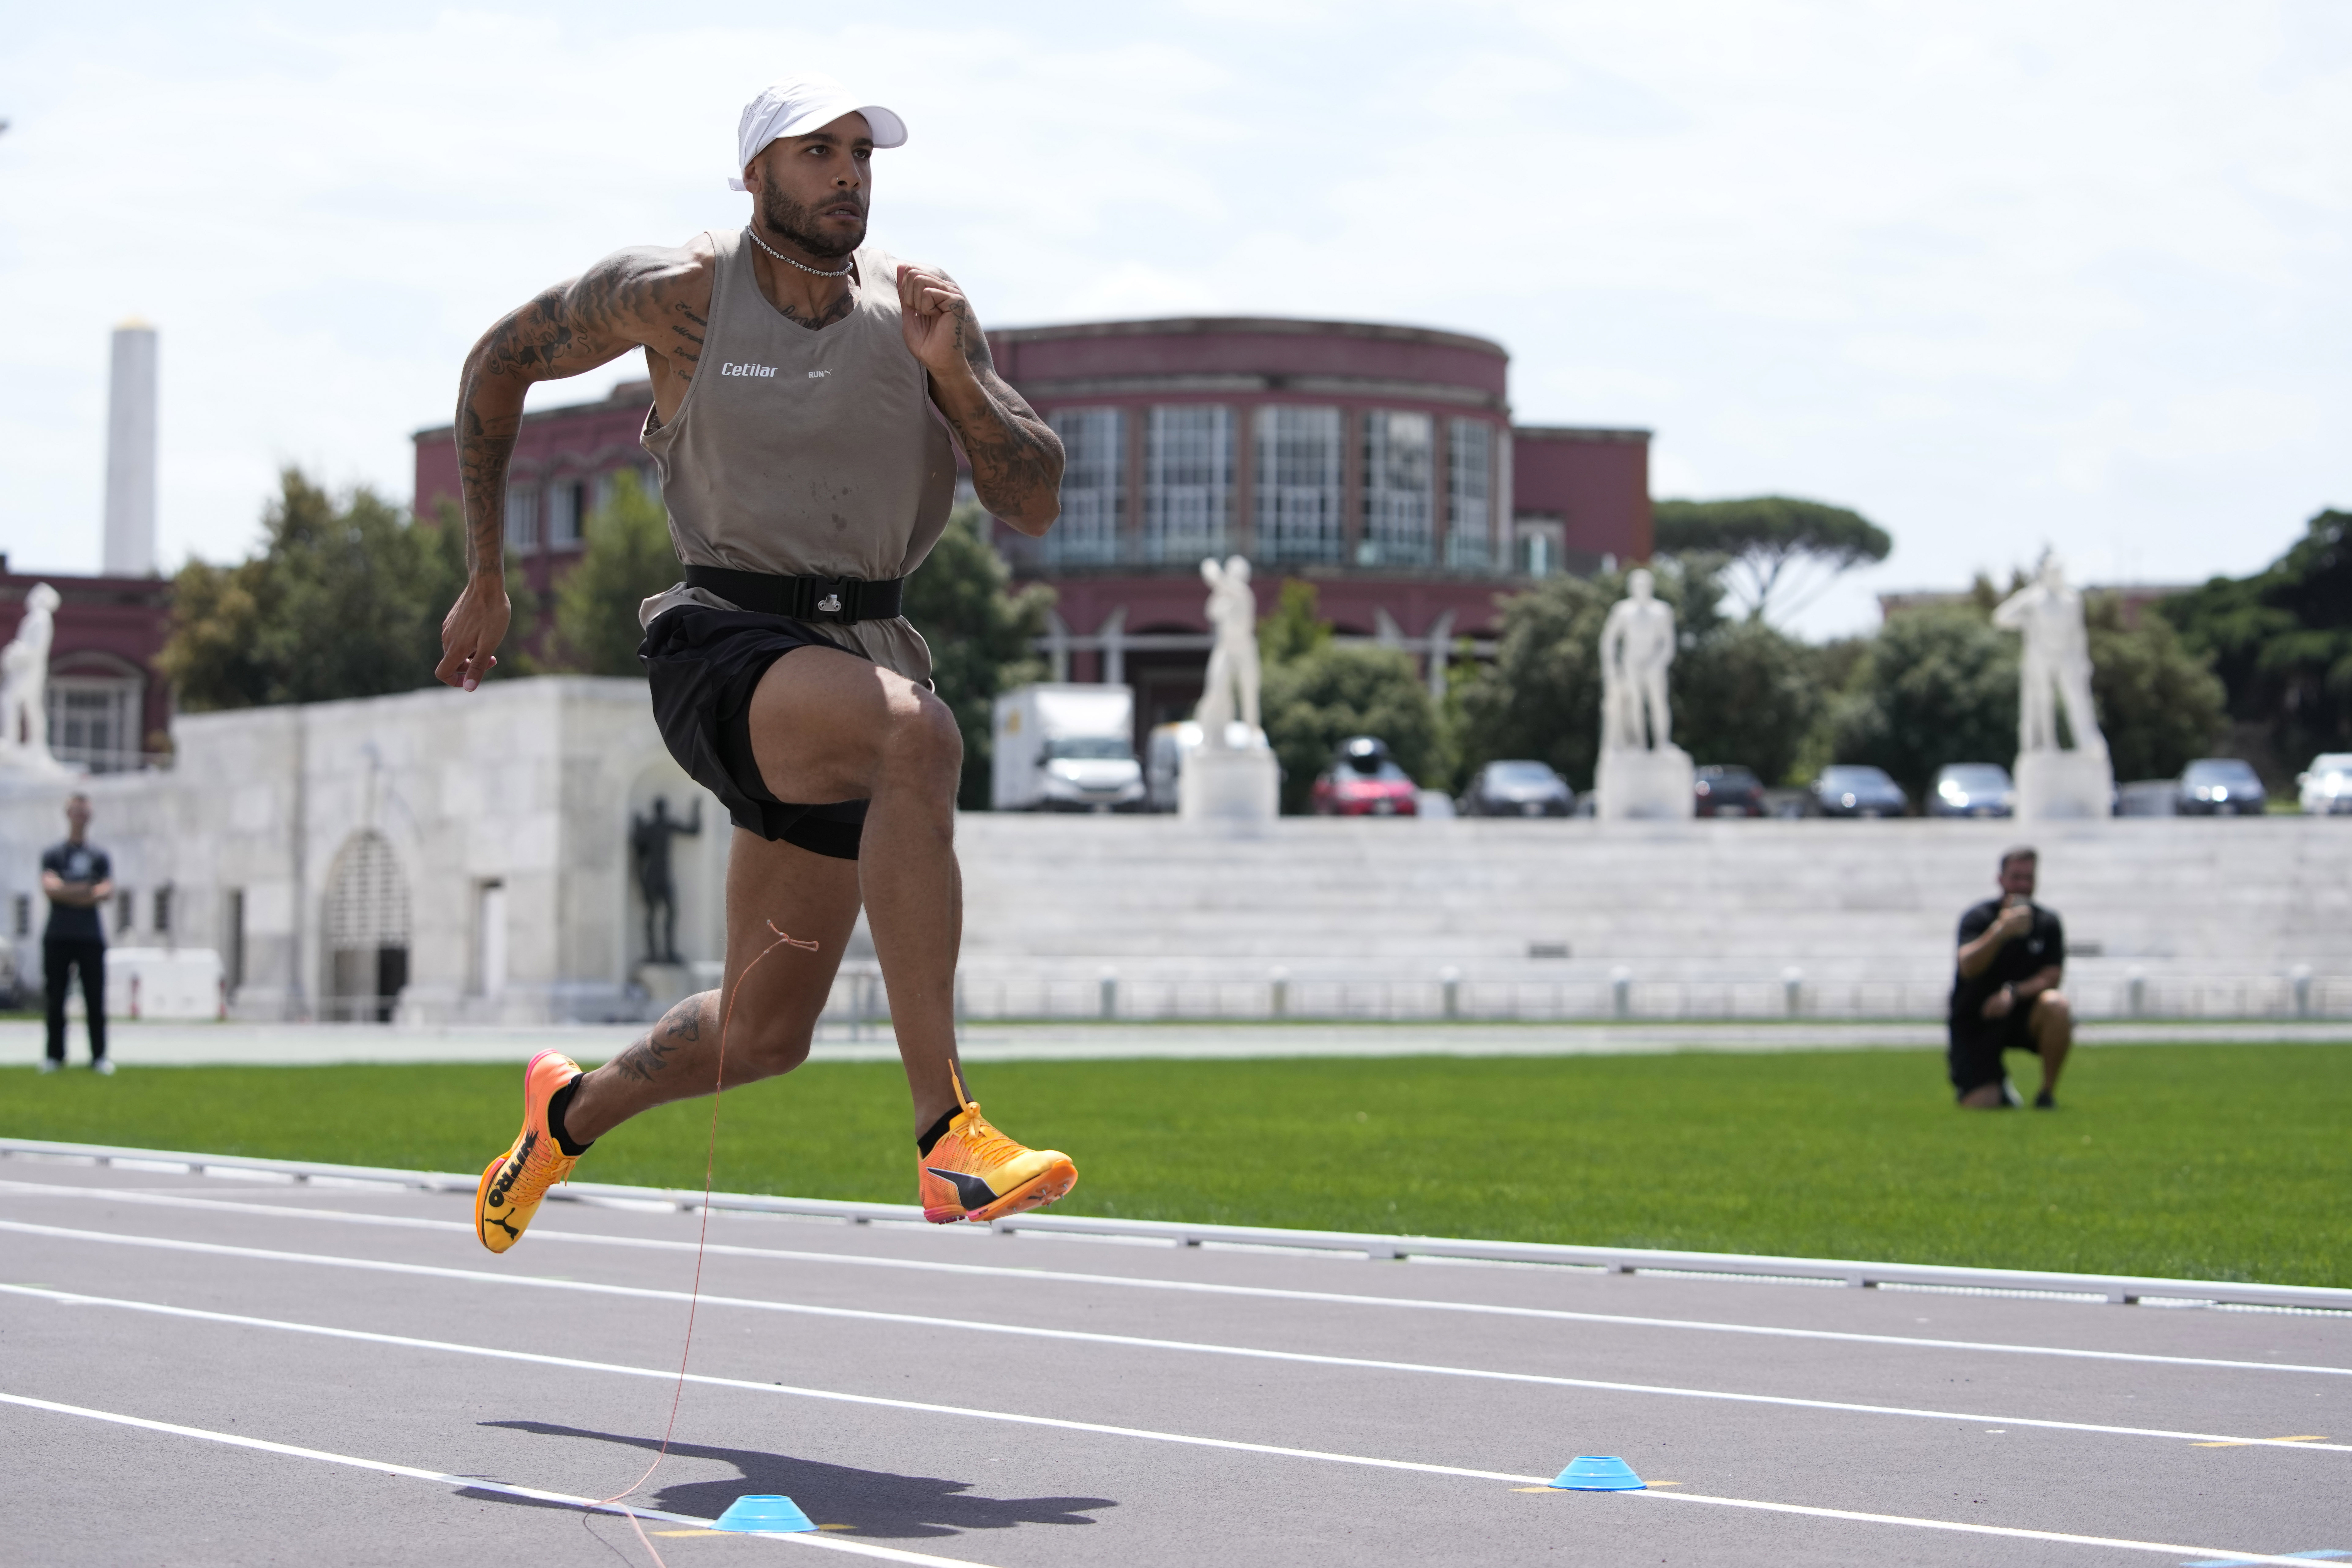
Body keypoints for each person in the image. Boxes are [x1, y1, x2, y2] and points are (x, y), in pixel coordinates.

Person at [437, 74, 1077, 1254]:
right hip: (721, 638)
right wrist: (487, 571)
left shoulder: (927, 311)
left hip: (859, 649)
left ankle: (564, 1114)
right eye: (816, 152)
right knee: (918, 734)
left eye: (862, 155)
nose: (847, 174)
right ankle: (950, 1134)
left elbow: (1032, 498)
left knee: (763, 1031)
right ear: (754, 175)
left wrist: (958, 376)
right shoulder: (681, 294)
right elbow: (495, 363)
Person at [1948, 846, 2071, 1108]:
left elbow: (2052, 976)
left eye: (2029, 878)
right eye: (2016, 877)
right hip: (1977, 1016)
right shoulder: (1979, 918)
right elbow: (1968, 965)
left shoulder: (2047, 923)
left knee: (2057, 1006)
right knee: (1981, 1105)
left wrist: (2013, 993)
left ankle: (2046, 1094)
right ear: (2001, 879)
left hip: (2022, 1014)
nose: (2023, 885)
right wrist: (2001, 931)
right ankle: (1999, 1088)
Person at [39, 793, 115, 1075]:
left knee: (95, 998)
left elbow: (106, 891)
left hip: (90, 937)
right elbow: (50, 889)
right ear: (68, 813)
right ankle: (54, 1057)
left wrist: (66, 890)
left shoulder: (100, 856)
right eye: (76, 809)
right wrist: (86, 890)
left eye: (85, 810)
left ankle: (99, 1056)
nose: (80, 814)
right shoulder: (53, 854)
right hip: (58, 935)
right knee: (56, 998)